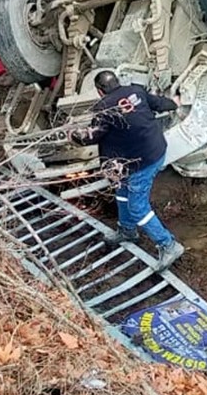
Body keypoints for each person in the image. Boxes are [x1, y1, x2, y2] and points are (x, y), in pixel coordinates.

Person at [70, 70, 183, 270]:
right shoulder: (135, 91)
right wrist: (174, 102)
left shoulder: (104, 109)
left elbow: (91, 137)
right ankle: (127, 231)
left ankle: (168, 244)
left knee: (138, 207)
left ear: (99, 91)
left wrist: (74, 135)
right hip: (152, 151)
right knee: (122, 192)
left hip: (140, 163)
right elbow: (158, 103)